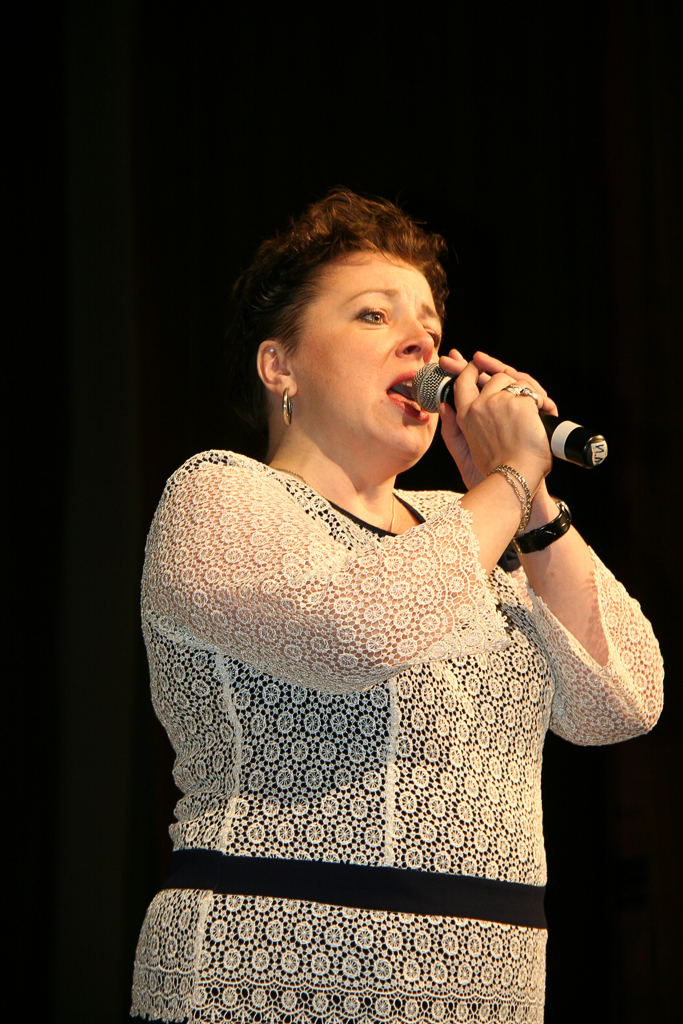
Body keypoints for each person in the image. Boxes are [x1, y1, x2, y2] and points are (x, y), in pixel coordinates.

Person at [130, 189, 663, 1024]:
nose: (420, 340)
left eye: (428, 324)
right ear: (278, 366)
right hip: (271, 974)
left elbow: (620, 703)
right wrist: (505, 480)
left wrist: (529, 499)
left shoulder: (469, 526)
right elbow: (361, 631)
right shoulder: (218, 494)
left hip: (487, 992)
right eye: (374, 315)